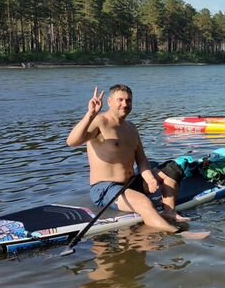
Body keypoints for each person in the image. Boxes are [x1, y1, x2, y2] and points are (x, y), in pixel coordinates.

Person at [67, 84, 198, 235]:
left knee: (172, 170)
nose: (125, 104)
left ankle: (169, 212)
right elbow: (72, 142)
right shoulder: (99, 121)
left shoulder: (131, 128)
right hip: (105, 188)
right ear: (109, 101)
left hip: (130, 183)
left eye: (128, 100)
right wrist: (90, 115)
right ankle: (179, 234)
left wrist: (149, 178)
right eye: (120, 100)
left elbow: (141, 160)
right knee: (144, 202)